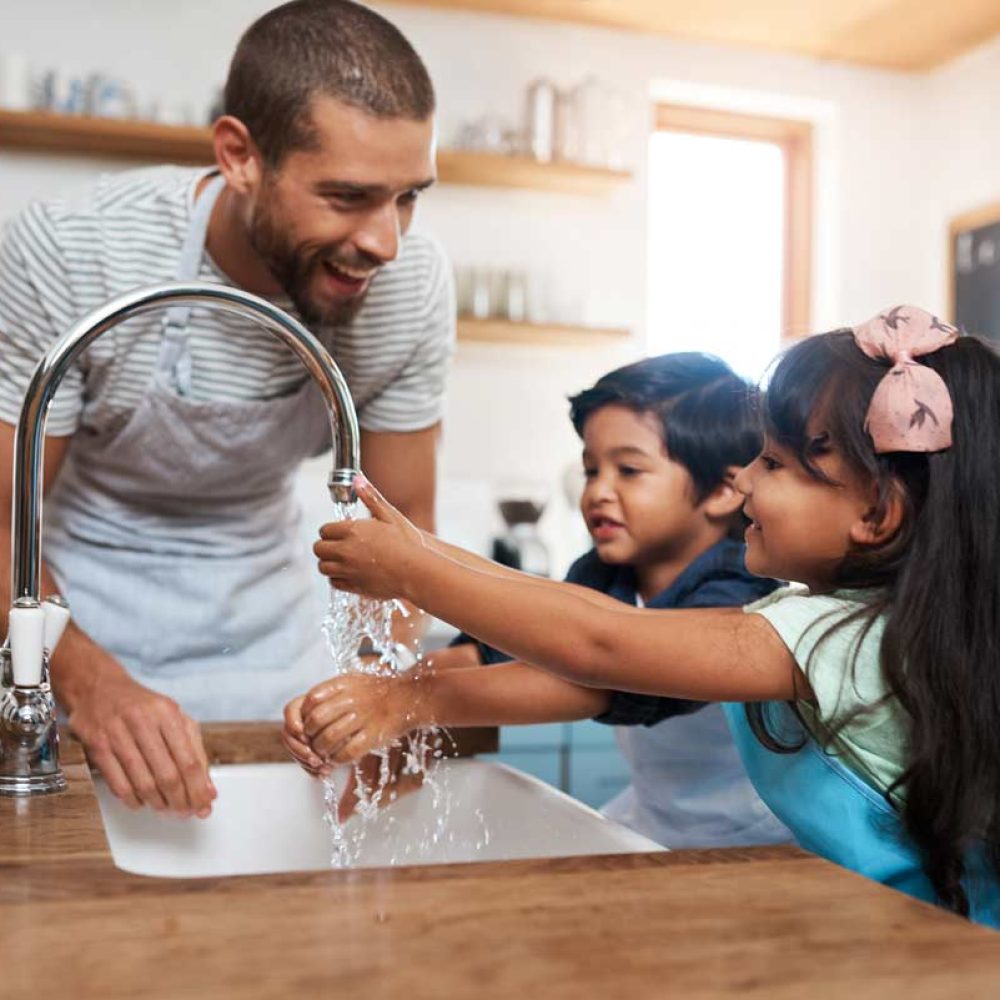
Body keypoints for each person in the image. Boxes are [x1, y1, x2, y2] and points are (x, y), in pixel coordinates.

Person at [307, 306, 1000, 926]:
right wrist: (422, 551)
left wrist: (413, 584)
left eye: (773, 463)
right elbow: (577, 613)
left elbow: (600, 646)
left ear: (876, 515)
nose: (745, 478)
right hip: (887, 924)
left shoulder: (829, 638)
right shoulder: (838, 620)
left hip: (945, 943)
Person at [0, 0, 453, 818]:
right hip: (75, 629)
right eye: (348, 196)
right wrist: (87, 683)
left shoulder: (407, 288)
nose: (385, 242)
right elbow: (1, 522)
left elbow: (406, 526)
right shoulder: (74, 252)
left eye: (408, 197)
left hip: (274, 648)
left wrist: (379, 684)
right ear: (240, 156)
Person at [286, 353, 791, 848]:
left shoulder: (742, 585)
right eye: (591, 470)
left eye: (628, 470)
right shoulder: (605, 572)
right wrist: (368, 697)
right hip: (655, 821)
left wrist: (406, 700)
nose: (598, 491)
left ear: (724, 490)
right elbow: (496, 648)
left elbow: (603, 672)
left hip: (761, 842)